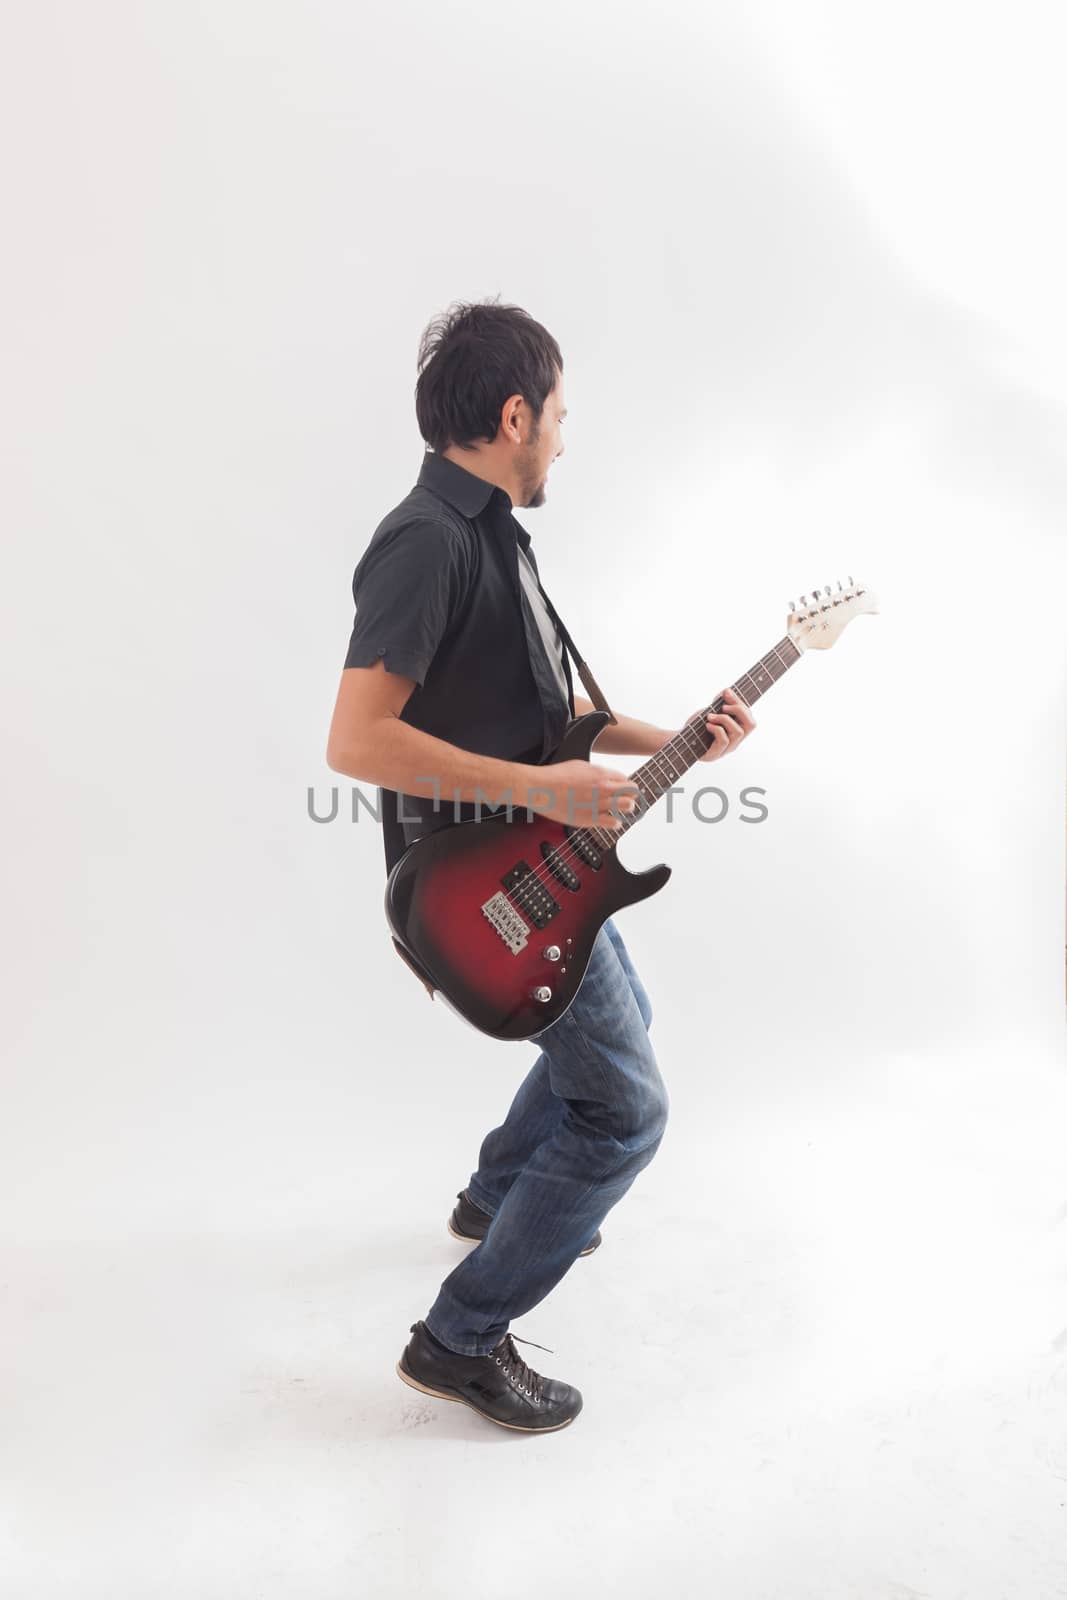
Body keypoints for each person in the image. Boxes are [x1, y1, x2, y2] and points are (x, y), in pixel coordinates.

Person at [326, 297, 755, 1433]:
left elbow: (544, 711)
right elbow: (354, 741)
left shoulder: (490, 537)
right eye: (559, 415)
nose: (565, 435)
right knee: (623, 1110)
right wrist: (538, 790)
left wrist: (666, 734)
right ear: (514, 414)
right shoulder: (424, 542)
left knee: (618, 1015)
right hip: (471, 880)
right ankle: (458, 1338)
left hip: (524, 850)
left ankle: (493, 1194)